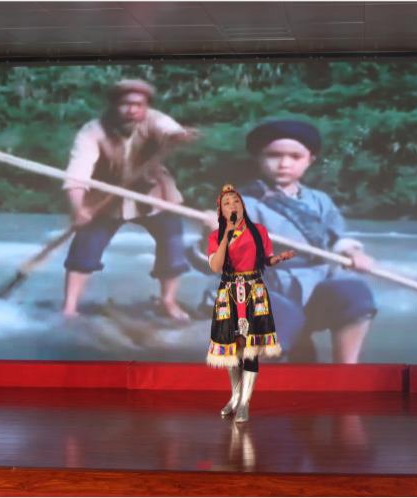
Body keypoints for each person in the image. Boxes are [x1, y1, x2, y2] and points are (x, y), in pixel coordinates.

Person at [232, 119, 378, 364]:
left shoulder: (320, 200)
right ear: (258, 158)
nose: (284, 163)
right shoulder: (241, 201)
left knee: (355, 295)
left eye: (295, 156)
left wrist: (353, 253)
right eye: (274, 155)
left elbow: (338, 237)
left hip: (315, 283)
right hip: (266, 285)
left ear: (310, 160)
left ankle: (347, 372)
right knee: (276, 321)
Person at [61, 79, 199, 320]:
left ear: (146, 107)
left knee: (172, 243)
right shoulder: (93, 131)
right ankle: (69, 307)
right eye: (125, 104)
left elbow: (170, 130)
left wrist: (180, 136)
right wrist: (78, 208)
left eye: (138, 105)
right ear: (114, 105)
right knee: (85, 246)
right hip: (106, 197)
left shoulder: (155, 120)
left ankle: (168, 301)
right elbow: (78, 171)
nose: (132, 110)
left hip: (154, 195)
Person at [207, 184, 295, 423]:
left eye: (236, 201)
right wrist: (227, 235)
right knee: (232, 348)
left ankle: (245, 402)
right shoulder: (216, 236)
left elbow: (265, 259)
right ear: (221, 211)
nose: (232, 206)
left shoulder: (258, 231)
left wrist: (278, 258)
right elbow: (215, 266)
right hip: (229, 293)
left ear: (243, 205)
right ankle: (234, 397)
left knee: (250, 347)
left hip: (254, 291)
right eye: (227, 203)